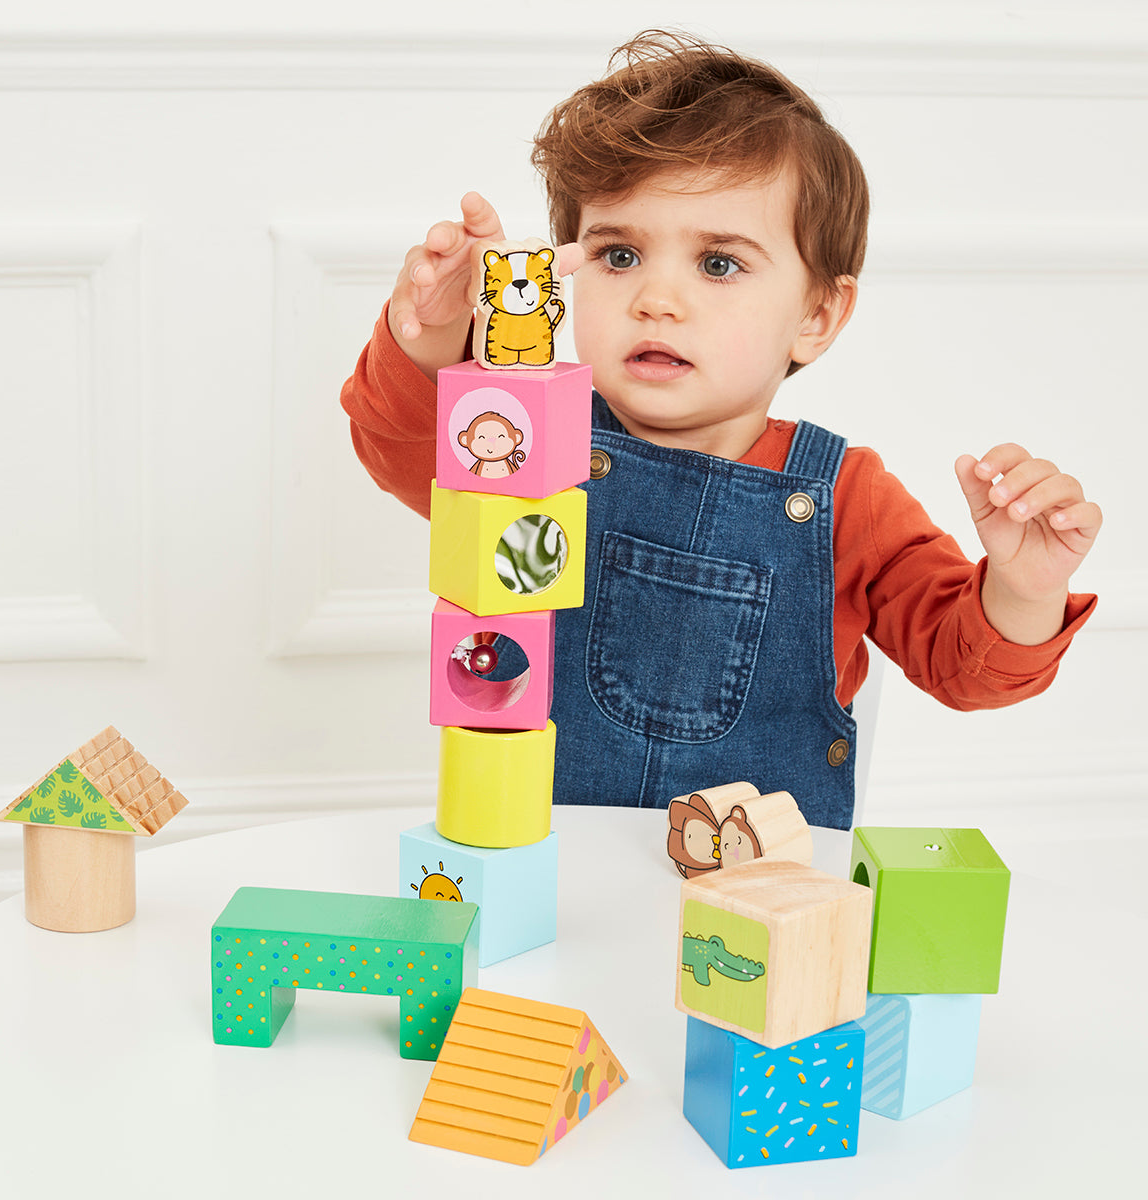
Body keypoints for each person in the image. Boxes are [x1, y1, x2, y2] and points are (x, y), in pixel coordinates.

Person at [342, 31, 1100, 829]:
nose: (657, 298)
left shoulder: (847, 497)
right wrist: (429, 338)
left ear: (816, 315)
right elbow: (397, 449)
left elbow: (965, 670)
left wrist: (1022, 587)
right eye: (619, 254)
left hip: (763, 903)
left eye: (719, 264)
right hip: (547, 871)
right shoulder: (535, 439)